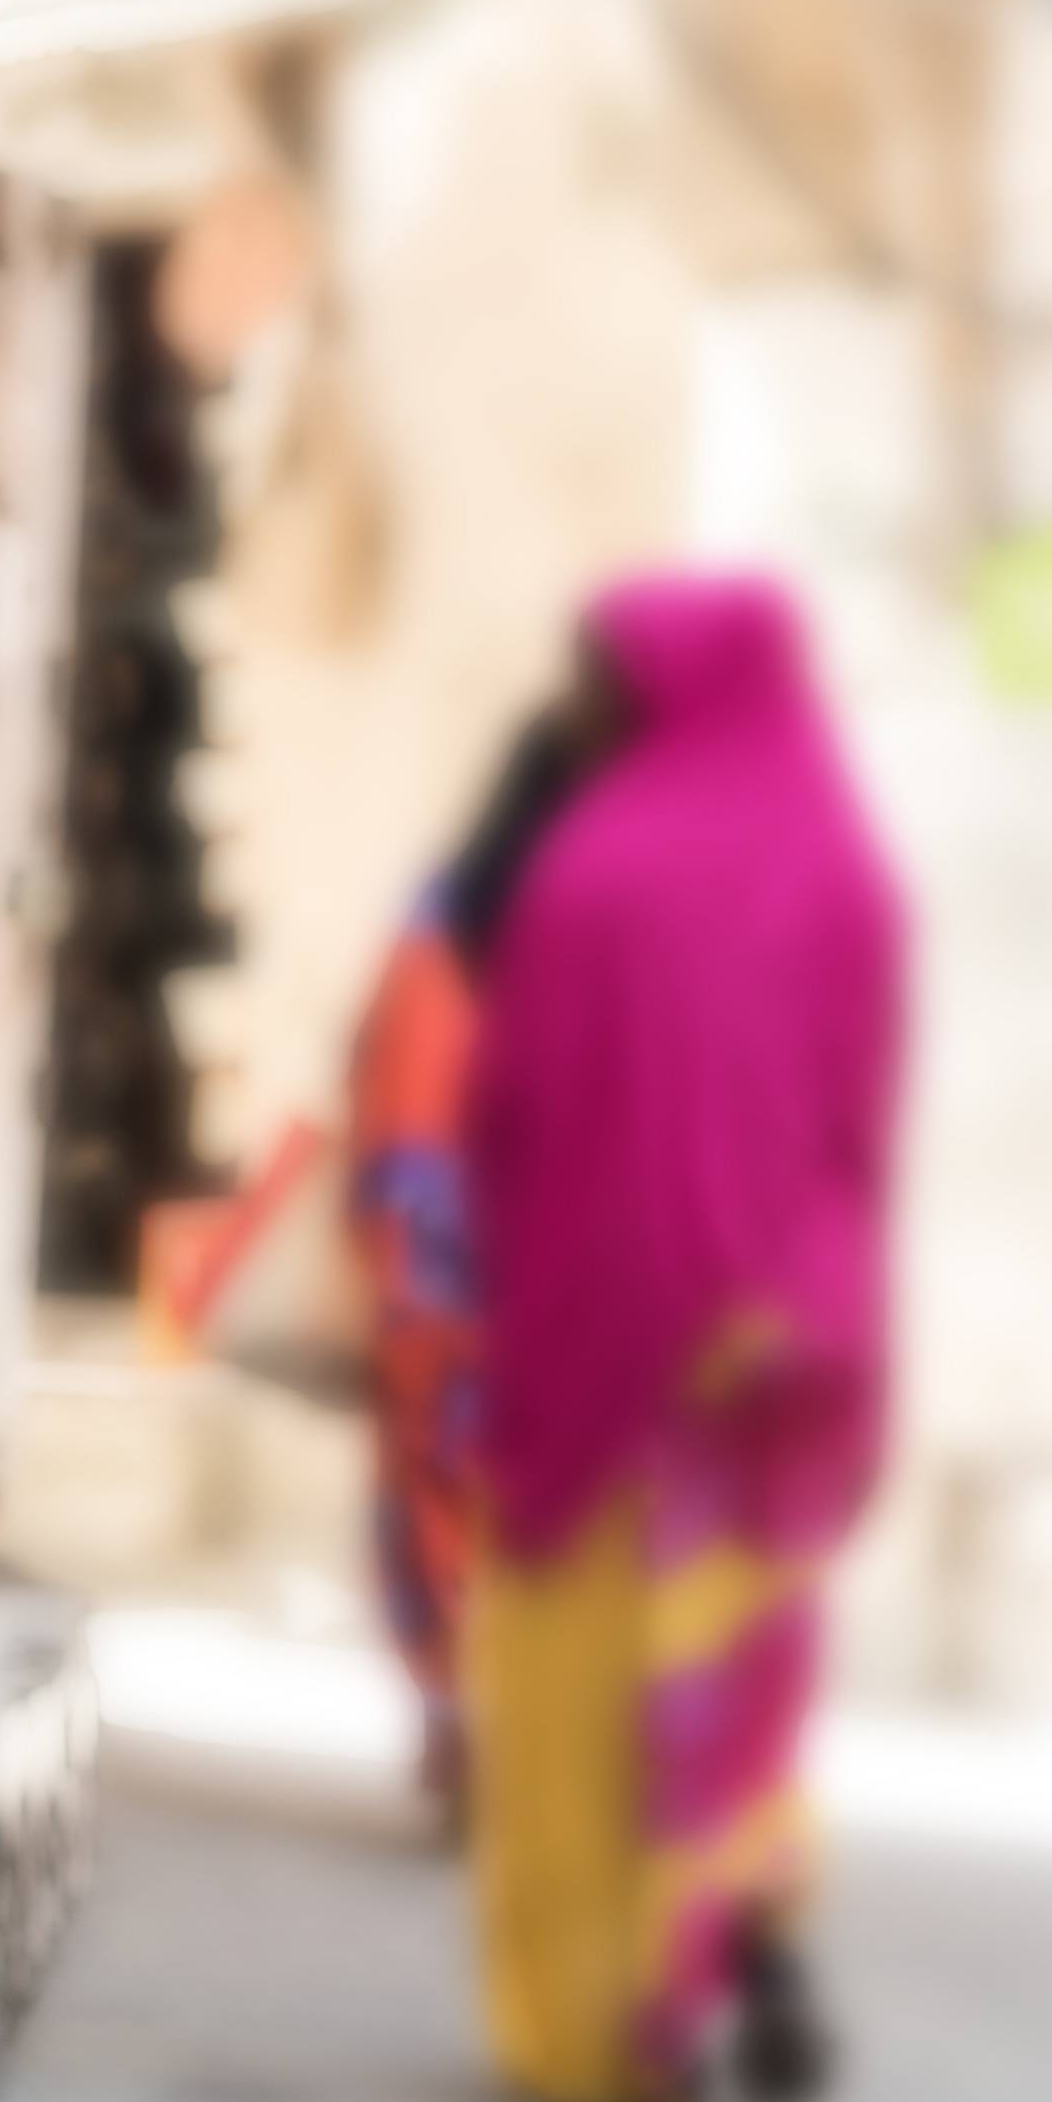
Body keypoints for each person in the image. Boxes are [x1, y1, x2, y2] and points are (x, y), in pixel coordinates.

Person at [462, 573, 906, 2102]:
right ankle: (728, 1929)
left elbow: (507, 1114)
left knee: (579, 1672)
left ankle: (600, 2025)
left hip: (601, 1334)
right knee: (735, 1653)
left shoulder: (586, 870)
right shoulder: (844, 870)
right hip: (775, 1352)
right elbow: (857, 1129)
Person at [342, 709, 592, 1821]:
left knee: (432, 1479)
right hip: (544, 1252)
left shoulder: (442, 912)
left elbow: (384, 1066)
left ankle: (457, 1720)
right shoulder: (602, 918)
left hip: (427, 1247)